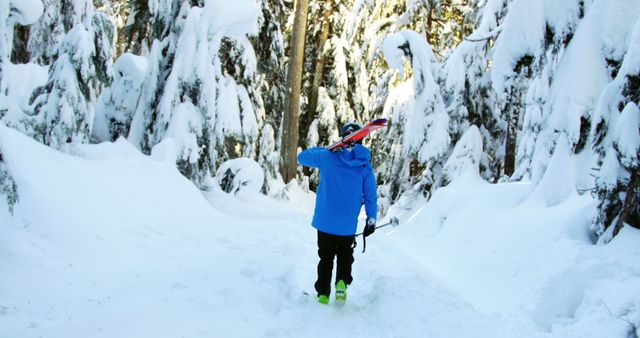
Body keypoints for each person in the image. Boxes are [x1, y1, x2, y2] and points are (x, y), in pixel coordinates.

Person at [297, 122, 378, 305]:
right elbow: (371, 196)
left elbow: (302, 157)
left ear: (343, 137)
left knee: (325, 258)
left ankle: (323, 294)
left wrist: (326, 149)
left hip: (325, 222)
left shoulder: (327, 157)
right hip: (346, 225)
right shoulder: (364, 165)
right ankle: (341, 283)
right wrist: (371, 219)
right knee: (345, 257)